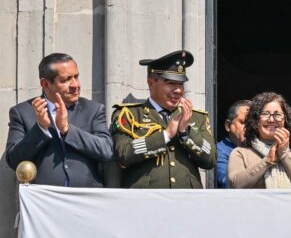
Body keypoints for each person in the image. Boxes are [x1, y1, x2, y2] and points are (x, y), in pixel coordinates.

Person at [111, 50, 216, 188]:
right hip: (145, 202)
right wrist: (165, 135)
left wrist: (185, 133)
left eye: (180, 84)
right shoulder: (129, 114)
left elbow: (210, 159)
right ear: (151, 83)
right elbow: (124, 154)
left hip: (187, 202)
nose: (178, 90)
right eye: (171, 83)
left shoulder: (196, 117)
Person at [5, 53, 113, 186]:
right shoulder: (22, 112)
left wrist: (67, 130)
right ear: (45, 84)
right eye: (66, 80)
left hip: (86, 201)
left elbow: (106, 151)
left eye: (76, 77)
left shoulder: (93, 110)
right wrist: (41, 128)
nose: (75, 85)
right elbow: (13, 160)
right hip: (43, 201)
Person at [227, 92, 291, 189]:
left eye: (277, 114)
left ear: (285, 120)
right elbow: (235, 184)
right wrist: (267, 161)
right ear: (255, 120)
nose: (271, 120)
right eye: (265, 114)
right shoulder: (240, 153)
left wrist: (285, 154)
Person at [216, 100, 250, 187]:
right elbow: (229, 184)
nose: (249, 128)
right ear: (228, 126)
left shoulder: (259, 149)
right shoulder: (219, 151)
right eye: (243, 122)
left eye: (252, 123)